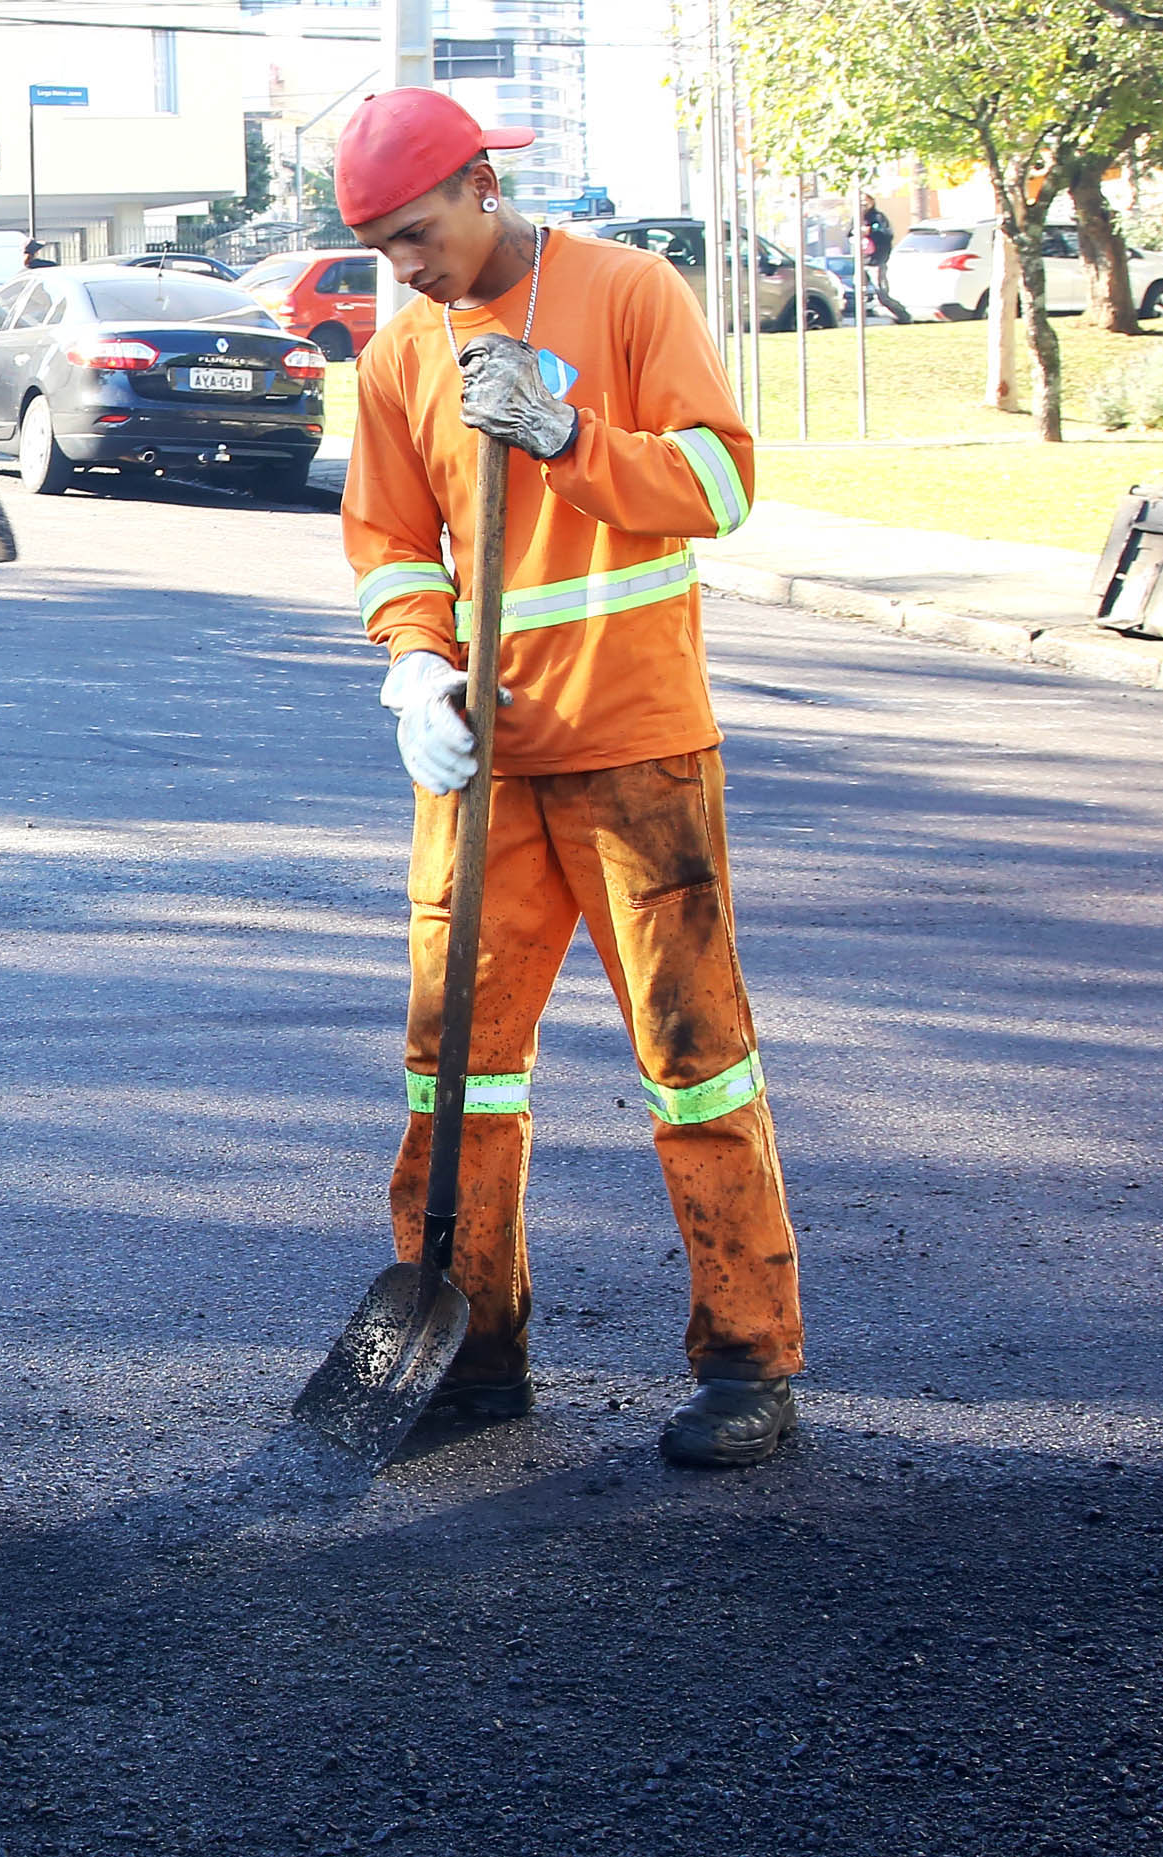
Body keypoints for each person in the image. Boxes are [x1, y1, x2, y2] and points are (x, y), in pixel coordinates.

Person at [335, 88, 805, 1470]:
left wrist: (566, 440)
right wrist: (416, 672)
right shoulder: (400, 353)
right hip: (482, 771)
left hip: (639, 750)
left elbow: (720, 488)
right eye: (376, 245)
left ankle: (749, 1365)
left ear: (481, 184)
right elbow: (388, 543)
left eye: (415, 234)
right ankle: (473, 1355)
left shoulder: (625, 290)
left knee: (694, 1063)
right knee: (455, 1076)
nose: (403, 268)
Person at [856, 194, 908, 325]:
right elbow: (849, 233)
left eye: (865, 202)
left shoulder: (878, 218)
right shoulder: (857, 218)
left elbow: (887, 234)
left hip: (876, 262)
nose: (863, 204)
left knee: (882, 294)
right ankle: (860, 322)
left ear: (872, 202)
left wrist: (871, 231)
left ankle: (904, 316)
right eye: (860, 201)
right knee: (858, 291)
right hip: (861, 261)